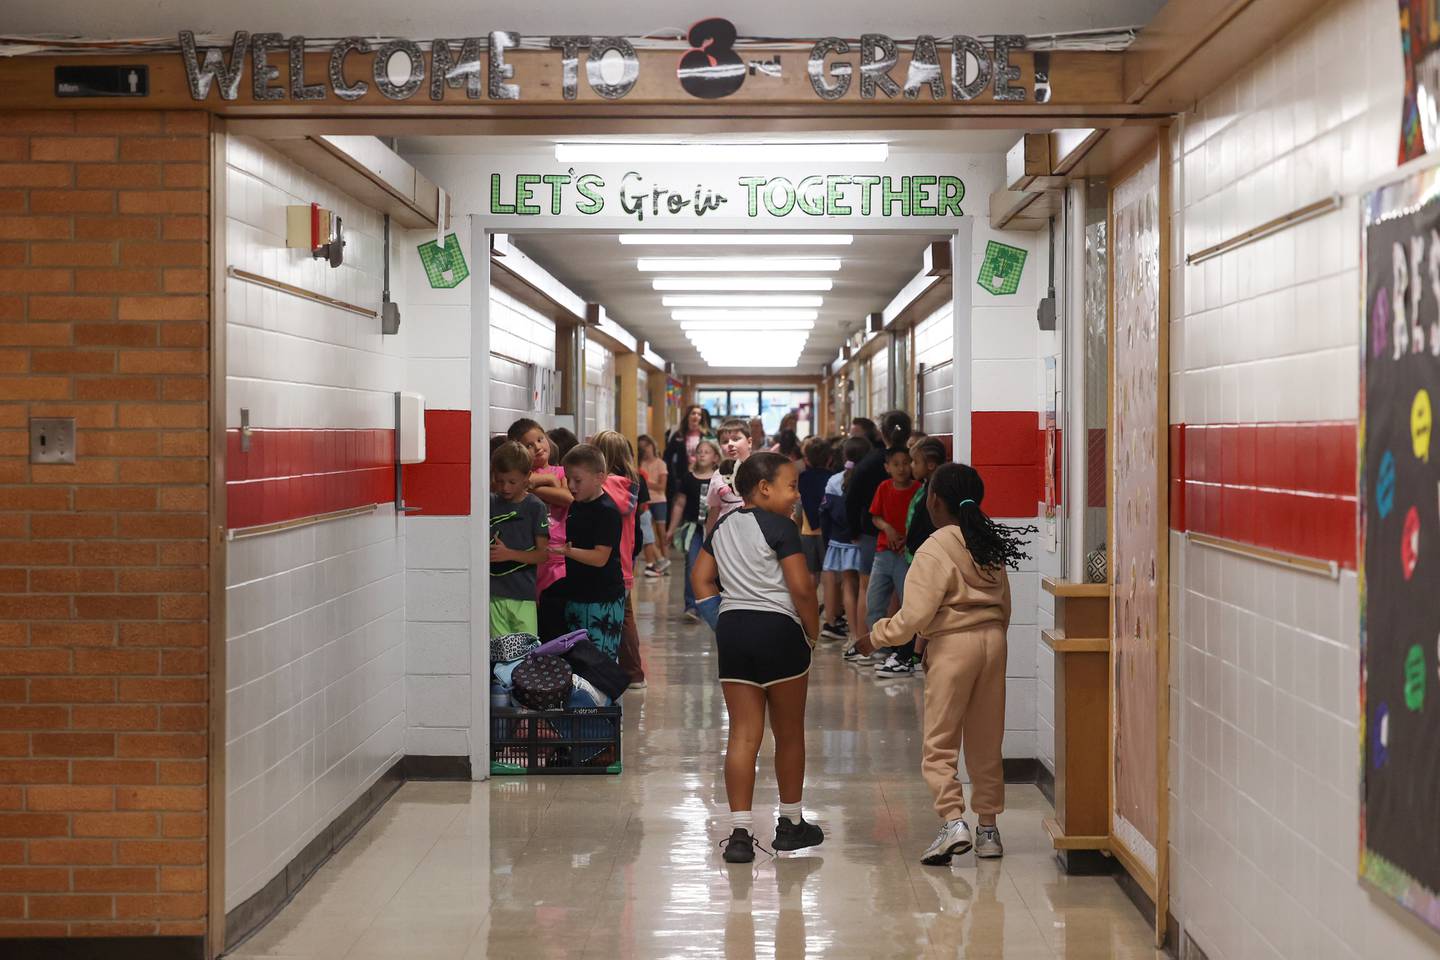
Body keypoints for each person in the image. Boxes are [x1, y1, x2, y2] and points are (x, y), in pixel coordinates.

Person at [865, 463, 1031, 866]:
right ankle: (988, 829)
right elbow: (1005, 606)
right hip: (993, 642)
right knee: (986, 739)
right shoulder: (986, 542)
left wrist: (876, 636)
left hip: (954, 648)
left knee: (939, 743)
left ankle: (953, 822)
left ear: (934, 501)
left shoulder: (937, 545)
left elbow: (915, 614)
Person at [690, 452, 823, 864]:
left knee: (743, 735)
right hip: (780, 633)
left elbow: (700, 579)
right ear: (764, 488)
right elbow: (801, 587)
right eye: (791, 486)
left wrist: (721, 618)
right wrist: (813, 632)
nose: (796, 495)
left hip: (734, 634)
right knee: (788, 733)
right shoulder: (782, 527)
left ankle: (741, 834)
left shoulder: (723, 525)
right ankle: (790, 824)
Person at [842, 410, 911, 661]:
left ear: (882, 433)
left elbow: (851, 498)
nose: (901, 469)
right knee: (896, 593)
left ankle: (868, 642)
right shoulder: (912, 466)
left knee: (869, 590)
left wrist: (853, 531)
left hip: (874, 537)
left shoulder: (870, 462)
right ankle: (891, 642)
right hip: (896, 540)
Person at [548, 444, 626, 659]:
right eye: (568, 479)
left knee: (601, 662)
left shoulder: (607, 511)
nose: (571, 486)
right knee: (578, 659)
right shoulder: (576, 506)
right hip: (577, 595)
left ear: (600, 477)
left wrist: (566, 552)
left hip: (603, 598)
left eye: (578, 480)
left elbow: (600, 558)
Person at [508, 418, 573, 641]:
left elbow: (567, 498)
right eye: (528, 445)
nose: (537, 447)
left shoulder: (562, 471)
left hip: (559, 557)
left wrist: (535, 486)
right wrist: (547, 481)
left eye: (540, 439)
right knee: (536, 620)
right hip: (532, 558)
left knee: (558, 617)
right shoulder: (519, 477)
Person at [594, 431, 647, 688]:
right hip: (625, 560)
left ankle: (633, 672)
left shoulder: (604, 486)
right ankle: (633, 672)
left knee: (622, 618)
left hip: (610, 561)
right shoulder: (630, 485)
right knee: (626, 615)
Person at [863, 445, 917, 677]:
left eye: (906, 462)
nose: (901, 468)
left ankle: (906, 650)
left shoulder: (918, 490)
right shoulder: (883, 488)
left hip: (906, 554)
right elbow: (875, 516)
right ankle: (882, 647)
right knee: (874, 601)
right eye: (896, 464)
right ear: (887, 467)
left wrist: (906, 537)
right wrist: (888, 529)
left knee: (909, 603)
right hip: (883, 552)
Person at [488, 441, 549, 636]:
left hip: (522, 595)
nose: (505, 487)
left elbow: (543, 554)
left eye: (512, 482)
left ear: (527, 477)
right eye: (499, 480)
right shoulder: (489, 502)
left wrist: (509, 554)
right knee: (500, 653)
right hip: (493, 594)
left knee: (525, 653)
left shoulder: (535, 507)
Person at [819, 436, 870, 643]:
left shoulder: (834, 481)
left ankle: (853, 636)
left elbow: (825, 514)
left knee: (848, 584)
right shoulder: (871, 479)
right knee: (865, 586)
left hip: (841, 541)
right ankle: (866, 634)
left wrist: (827, 539)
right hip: (864, 539)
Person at [669, 438, 721, 621]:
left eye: (706, 452)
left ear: (715, 457)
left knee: (716, 567)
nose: (702, 454)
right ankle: (692, 606)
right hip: (694, 529)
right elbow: (679, 504)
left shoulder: (719, 478)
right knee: (692, 565)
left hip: (716, 530)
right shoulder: (688, 478)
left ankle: (715, 603)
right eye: (699, 451)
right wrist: (671, 529)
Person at [705, 418, 752, 538]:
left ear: (749, 442)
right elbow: (714, 511)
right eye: (725, 441)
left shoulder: (761, 469)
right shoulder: (718, 475)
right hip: (726, 537)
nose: (730, 444)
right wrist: (708, 542)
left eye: (736, 439)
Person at [796, 437, 831, 595]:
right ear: (829, 458)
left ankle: (809, 604)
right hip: (827, 531)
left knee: (811, 572)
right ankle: (831, 607)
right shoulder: (832, 478)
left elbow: (799, 505)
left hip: (807, 530)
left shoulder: (803, 478)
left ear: (807, 459)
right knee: (828, 573)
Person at [637, 434, 671, 577]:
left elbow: (661, 486)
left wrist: (645, 482)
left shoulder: (661, 463)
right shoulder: (639, 464)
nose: (646, 449)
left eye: (647, 445)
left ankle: (665, 562)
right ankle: (655, 563)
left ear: (652, 446)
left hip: (659, 500)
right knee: (647, 533)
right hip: (645, 501)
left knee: (661, 534)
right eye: (642, 447)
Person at [662, 404, 711, 502]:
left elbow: (713, 454)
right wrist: (673, 475)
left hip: (702, 473)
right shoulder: (678, 435)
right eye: (693, 413)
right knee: (681, 502)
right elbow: (667, 456)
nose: (696, 416)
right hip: (682, 475)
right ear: (688, 416)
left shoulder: (707, 435)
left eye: (699, 414)